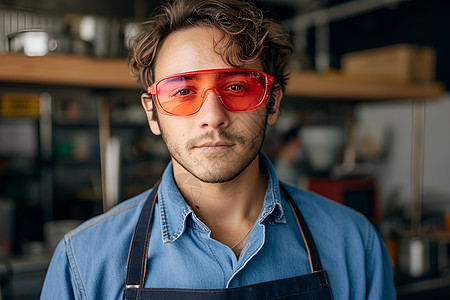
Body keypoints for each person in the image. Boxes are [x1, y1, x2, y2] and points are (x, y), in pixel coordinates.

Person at [40, 0, 396, 299]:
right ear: (152, 112)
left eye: (238, 87)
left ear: (271, 104)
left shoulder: (355, 244)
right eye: (182, 91)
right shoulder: (83, 263)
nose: (212, 116)